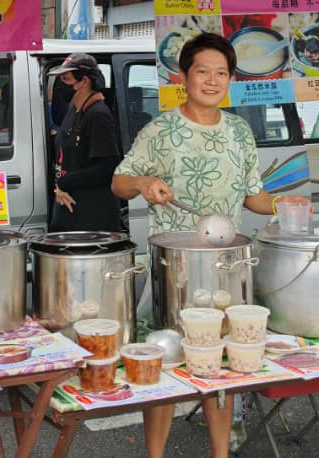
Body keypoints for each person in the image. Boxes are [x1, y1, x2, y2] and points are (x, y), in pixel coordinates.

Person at [112, 32, 274, 458]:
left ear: (231, 79)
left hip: (226, 266)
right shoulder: (161, 129)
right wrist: (144, 182)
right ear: (183, 75)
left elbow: (253, 196)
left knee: (219, 363)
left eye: (222, 73)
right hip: (174, 266)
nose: (212, 80)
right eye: (203, 71)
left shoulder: (239, 131)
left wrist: (283, 204)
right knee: (164, 362)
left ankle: (220, 454)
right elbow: (119, 182)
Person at [48, 53, 122, 233]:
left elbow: (107, 169)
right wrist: (58, 187)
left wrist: (65, 182)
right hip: (68, 214)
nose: (60, 86)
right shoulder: (73, 110)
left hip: (91, 218)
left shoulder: (98, 116)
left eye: (65, 79)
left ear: (84, 81)